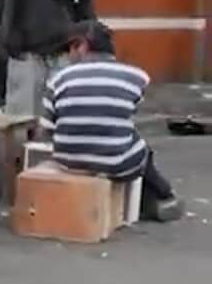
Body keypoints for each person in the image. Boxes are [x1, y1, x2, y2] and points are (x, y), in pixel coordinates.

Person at [42, 21, 183, 223]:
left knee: (126, 141)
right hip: (116, 163)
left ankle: (151, 202)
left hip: (67, 160)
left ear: (81, 46)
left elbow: (46, 129)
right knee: (140, 149)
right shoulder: (137, 77)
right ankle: (164, 195)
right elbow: (128, 113)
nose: (68, 57)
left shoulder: (58, 79)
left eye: (69, 50)